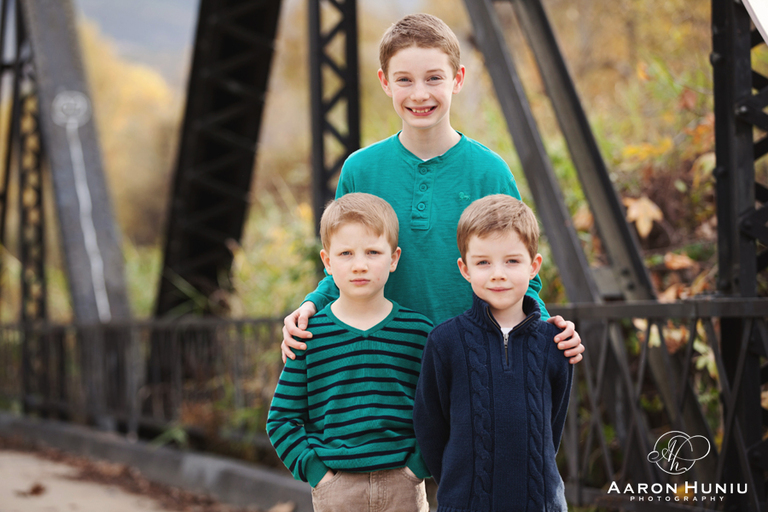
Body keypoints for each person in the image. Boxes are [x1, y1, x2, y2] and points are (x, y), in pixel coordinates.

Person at [281, 12, 584, 363]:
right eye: (404, 80)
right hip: (385, 364)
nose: (420, 94)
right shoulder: (360, 171)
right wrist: (310, 306)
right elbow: (343, 265)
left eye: (434, 78)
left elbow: (520, 274)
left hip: (471, 365)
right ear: (385, 82)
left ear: (458, 79)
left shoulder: (490, 173)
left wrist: (547, 329)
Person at [267, 193, 432, 512]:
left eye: (373, 252)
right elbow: (282, 419)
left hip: (404, 484)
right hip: (337, 489)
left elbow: (439, 410)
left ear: (394, 258)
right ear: (327, 262)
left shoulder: (419, 333)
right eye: (345, 253)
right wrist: (319, 476)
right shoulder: (309, 335)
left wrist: (417, 468)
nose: (359, 265)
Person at [413, 195, 573, 511]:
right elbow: (429, 425)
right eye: (483, 262)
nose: (498, 273)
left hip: (540, 504)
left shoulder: (555, 343)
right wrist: (457, 486)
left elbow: (551, 428)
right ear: (465, 268)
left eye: (512, 261)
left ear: (533, 266)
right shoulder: (444, 342)